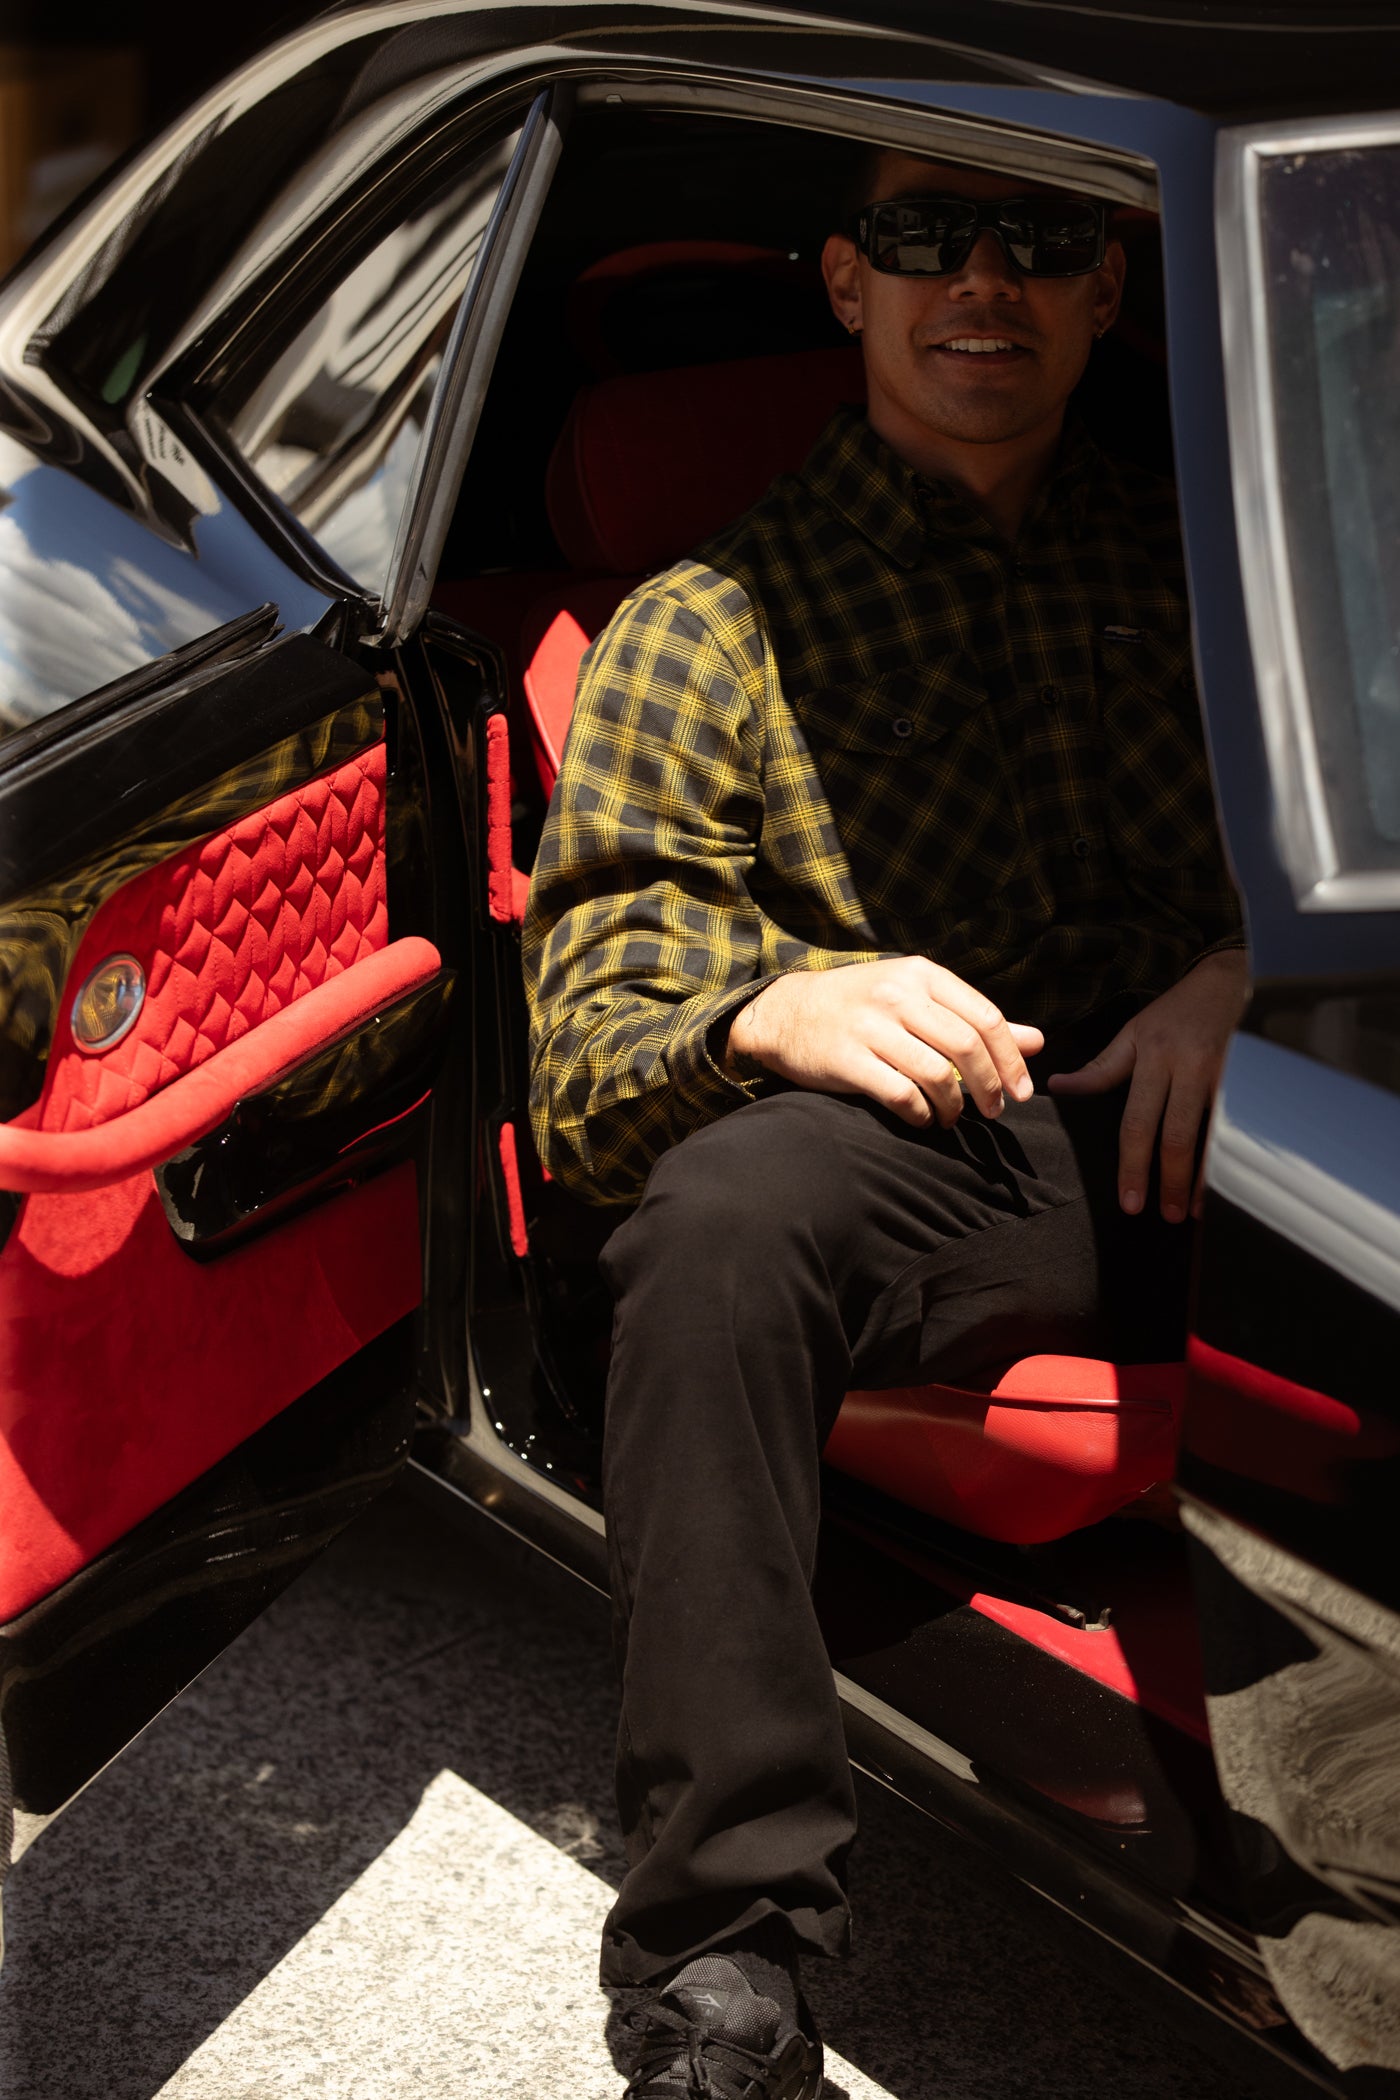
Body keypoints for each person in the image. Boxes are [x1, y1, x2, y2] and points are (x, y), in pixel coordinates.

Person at [523, 147, 1247, 2100]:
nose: (984, 282)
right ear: (849, 284)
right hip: (981, 1141)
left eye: (1046, 242)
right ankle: (721, 1962)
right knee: (719, 1218)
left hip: (1270, 1091)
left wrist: (1249, 966)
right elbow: (584, 1056)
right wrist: (774, 1005)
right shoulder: (702, 622)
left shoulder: (1224, 562)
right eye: (929, 241)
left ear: (1109, 290)